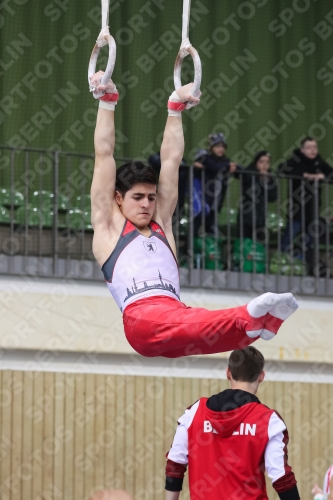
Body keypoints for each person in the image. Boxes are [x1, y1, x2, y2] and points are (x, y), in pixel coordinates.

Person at [89, 71, 298, 359]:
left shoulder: (161, 221)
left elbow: (171, 160)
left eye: (151, 197)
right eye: (137, 198)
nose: (147, 204)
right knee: (196, 322)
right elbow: (104, 154)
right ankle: (247, 318)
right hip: (142, 320)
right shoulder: (109, 225)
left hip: (177, 315)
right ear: (117, 198)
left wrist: (175, 108)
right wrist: (107, 102)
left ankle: (256, 326)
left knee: (207, 334)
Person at [165, 346, 300, 500]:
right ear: (261, 376)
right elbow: (281, 477)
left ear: (228, 373)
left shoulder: (195, 412)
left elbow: (175, 464)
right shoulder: (269, 420)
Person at [279, 137, 333, 274]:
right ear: (302, 150)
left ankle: (302, 267)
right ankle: (282, 266)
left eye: (315, 147)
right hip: (296, 211)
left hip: (312, 212)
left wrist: (321, 177)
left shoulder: (318, 162)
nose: (312, 150)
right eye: (309, 148)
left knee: (308, 244)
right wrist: (304, 175)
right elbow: (281, 170)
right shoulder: (295, 160)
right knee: (287, 242)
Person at [193, 133, 240, 236]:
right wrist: (228, 166)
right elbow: (215, 167)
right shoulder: (205, 157)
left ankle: (209, 250)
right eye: (218, 146)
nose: (221, 149)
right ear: (211, 147)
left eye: (223, 147)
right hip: (203, 199)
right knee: (196, 225)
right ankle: (188, 248)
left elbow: (237, 169)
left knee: (211, 228)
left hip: (215, 200)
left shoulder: (225, 161)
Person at [238, 150, 277, 242]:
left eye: (267, 162)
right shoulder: (248, 173)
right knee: (244, 243)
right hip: (246, 217)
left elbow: (273, 197)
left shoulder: (270, 177)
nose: (264, 165)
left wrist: (268, 182)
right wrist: (260, 180)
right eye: (261, 162)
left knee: (258, 244)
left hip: (260, 218)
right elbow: (250, 193)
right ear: (256, 162)